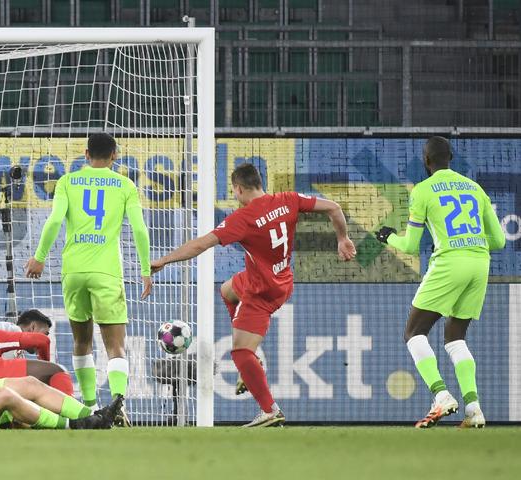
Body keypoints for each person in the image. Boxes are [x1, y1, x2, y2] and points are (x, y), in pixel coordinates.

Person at [151, 163, 356, 427]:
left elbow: (201, 244)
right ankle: (252, 359)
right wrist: (342, 238)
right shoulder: (288, 199)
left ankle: (270, 409)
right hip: (280, 278)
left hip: (263, 291)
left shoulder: (243, 218)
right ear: (260, 183)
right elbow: (334, 208)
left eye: (234, 192)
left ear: (238, 189)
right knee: (226, 289)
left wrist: (165, 260)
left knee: (239, 353)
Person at [375, 136, 505, 429]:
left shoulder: (422, 191)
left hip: (450, 263)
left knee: (413, 332)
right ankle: (474, 409)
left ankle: (441, 395)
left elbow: (410, 245)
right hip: (479, 263)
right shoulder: (475, 188)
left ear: (426, 161)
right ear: (452, 159)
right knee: (456, 338)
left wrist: (387, 237)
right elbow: (497, 240)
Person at [26, 133, 151, 424]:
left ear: (85, 153)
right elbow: (140, 229)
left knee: (82, 342)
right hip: (106, 272)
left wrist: (40, 257)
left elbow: (55, 220)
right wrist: (145, 270)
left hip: (74, 271)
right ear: (115, 155)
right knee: (115, 345)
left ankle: (91, 407)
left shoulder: (68, 182)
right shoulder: (125, 185)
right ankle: (118, 404)